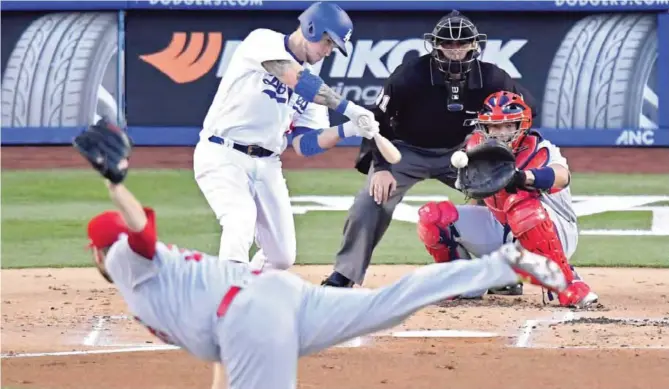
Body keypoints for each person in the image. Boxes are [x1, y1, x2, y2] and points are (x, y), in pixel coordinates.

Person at [80, 121, 570, 389]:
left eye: (97, 252)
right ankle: (499, 264)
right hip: (275, 297)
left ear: (103, 250)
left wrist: (116, 185)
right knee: (389, 303)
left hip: (252, 317)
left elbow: (140, 234)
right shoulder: (159, 270)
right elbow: (221, 350)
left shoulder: (126, 259)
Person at [321, 10, 535, 297]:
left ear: (474, 45)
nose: (455, 50)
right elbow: (376, 121)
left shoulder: (493, 78)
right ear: (435, 46)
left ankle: (500, 273)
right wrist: (382, 167)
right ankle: (345, 273)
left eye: (462, 44)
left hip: (463, 152)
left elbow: (524, 109)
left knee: (502, 193)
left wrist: (506, 153)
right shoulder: (410, 75)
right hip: (405, 151)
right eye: (448, 44)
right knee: (371, 200)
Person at [193, 1, 379, 271]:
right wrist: (350, 109)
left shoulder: (314, 81)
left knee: (281, 257)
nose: (328, 51)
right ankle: (226, 298)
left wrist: (348, 129)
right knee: (239, 218)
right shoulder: (263, 41)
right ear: (312, 28)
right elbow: (297, 79)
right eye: (328, 42)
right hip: (223, 153)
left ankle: (249, 290)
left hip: (268, 163)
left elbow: (305, 144)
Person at [415, 90, 599, 308]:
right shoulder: (478, 150)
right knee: (433, 216)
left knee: (520, 206)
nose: (501, 133)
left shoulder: (542, 149)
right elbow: (478, 199)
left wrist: (524, 177)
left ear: (521, 125)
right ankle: (461, 282)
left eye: (507, 126)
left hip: (554, 231)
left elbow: (562, 176)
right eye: (495, 127)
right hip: (503, 229)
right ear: (485, 127)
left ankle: (568, 284)